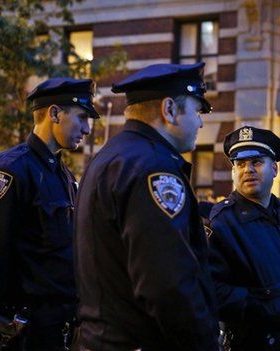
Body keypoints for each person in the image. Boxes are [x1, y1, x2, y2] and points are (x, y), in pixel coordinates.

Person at [74, 62, 219, 351]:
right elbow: (167, 283)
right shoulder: (153, 168)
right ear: (169, 110)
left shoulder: (111, 157)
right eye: (197, 110)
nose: (201, 123)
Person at [0, 77, 98, 350]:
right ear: (54, 113)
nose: (87, 129)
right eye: (82, 117)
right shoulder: (10, 171)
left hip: (56, 330)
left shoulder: (63, 176)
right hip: (21, 334)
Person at [208, 126, 280, 351]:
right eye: (240, 164)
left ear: (274, 168)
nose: (248, 170)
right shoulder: (222, 222)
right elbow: (211, 288)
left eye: (256, 162)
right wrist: (264, 306)